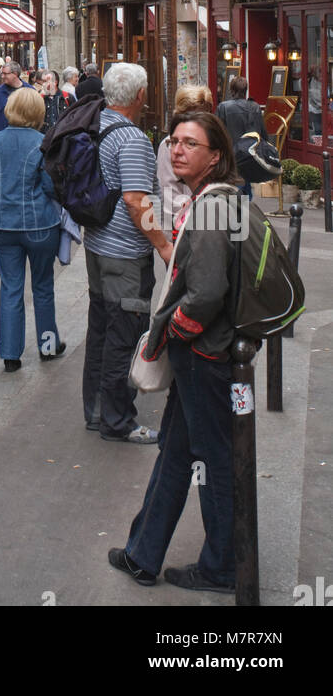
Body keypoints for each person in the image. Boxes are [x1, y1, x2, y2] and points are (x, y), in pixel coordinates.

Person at [109, 111, 241, 594]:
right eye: (174, 141)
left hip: (203, 357)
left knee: (212, 460)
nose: (178, 149)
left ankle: (224, 568)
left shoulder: (210, 209)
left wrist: (171, 337)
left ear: (215, 157)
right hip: (199, 355)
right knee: (177, 454)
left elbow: (205, 294)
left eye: (190, 143)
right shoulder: (209, 201)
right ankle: (143, 554)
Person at [81, 63, 172, 443]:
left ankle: (97, 412)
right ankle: (118, 421)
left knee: (101, 329)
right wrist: (164, 246)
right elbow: (136, 202)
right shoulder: (132, 139)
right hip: (123, 254)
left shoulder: (96, 124)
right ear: (139, 96)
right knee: (123, 333)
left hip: (97, 244)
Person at [0, 88, 64, 372]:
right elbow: (49, 185)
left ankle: (10, 355)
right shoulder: (44, 143)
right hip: (40, 223)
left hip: (5, 224)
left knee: (10, 288)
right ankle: (47, 346)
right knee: (43, 287)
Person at [156, 84, 213, 231]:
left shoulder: (212, 142)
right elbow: (170, 196)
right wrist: (174, 240)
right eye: (194, 116)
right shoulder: (169, 146)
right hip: (186, 230)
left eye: (205, 115)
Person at [216, 74, 269, 197]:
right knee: (246, 186)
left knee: (235, 187)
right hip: (250, 154)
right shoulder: (255, 107)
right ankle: (244, 210)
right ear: (245, 90)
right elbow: (262, 132)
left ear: (232, 90)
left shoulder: (223, 107)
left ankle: (240, 211)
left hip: (231, 155)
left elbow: (216, 132)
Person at [0, 59, 35, 134]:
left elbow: (35, 115)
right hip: (3, 139)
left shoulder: (30, 91)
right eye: (2, 73)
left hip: (25, 138)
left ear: (15, 74)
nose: (2, 76)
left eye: (5, 74)